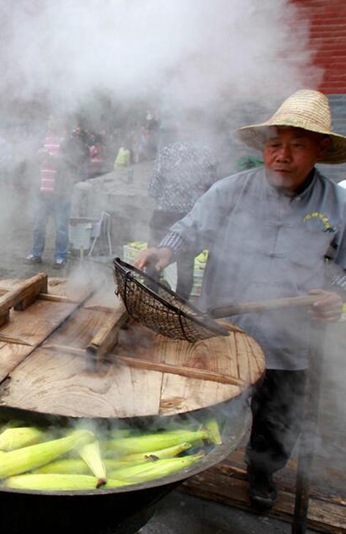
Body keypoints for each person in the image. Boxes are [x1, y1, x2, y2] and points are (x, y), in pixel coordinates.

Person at [134, 90, 346, 510]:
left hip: (291, 339)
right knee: (207, 402)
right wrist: (165, 250)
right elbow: (191, 228)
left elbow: (343, 267)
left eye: (297, 145)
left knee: (276, 415)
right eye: (274, 144)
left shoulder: (338, 205)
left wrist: (336, 294)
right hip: (225, 327)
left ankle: (262, 472)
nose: (281, 155)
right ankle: (183, 461)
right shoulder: (231, 190)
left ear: (320, 149)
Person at [147, 136, 219, 300]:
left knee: (153, 261)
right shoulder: (208, 154)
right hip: (191, 217)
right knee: (186, 264)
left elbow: (153, 188)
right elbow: (212, 189)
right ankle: (181, 307)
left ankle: (149, 301)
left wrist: (169, 195)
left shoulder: (167, 151)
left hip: (163, 214)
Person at [25, 116, 82, 268]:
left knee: (61, 227)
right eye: (50, 119)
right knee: (38, 225)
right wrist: (37, 157)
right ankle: (36, 254)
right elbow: (31, 160)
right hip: (41, 191)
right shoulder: (42, 138)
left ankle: (61, 256)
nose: (51, 122)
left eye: (55, 119)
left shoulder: (69, 141)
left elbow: (73, 163)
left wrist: (53, 159)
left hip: (61, 193)